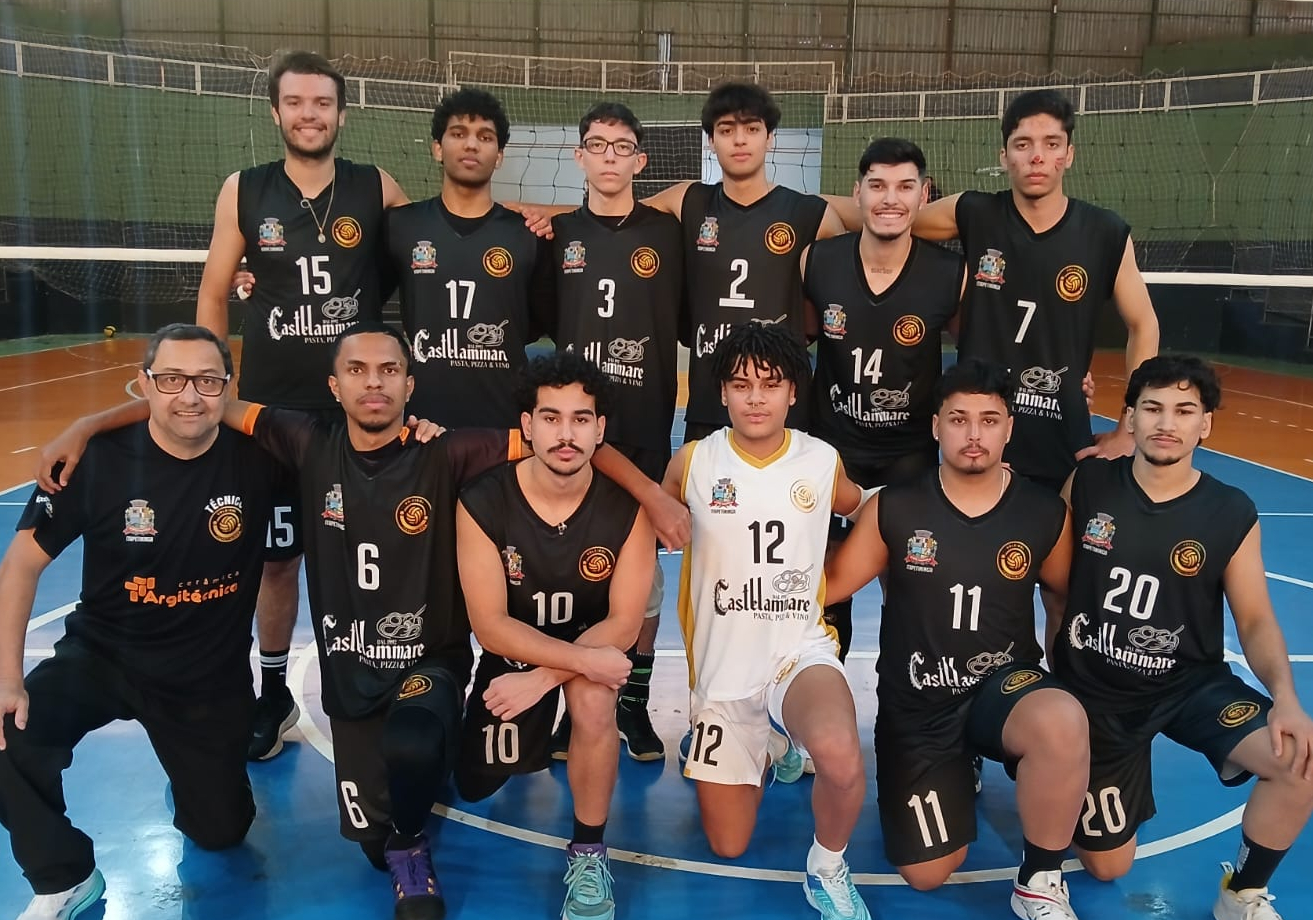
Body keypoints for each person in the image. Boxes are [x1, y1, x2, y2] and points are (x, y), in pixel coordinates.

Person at [33, 324, 688, 920]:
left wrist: (653, 496)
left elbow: (569, 444)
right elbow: (202, 405)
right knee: (373, 840)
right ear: (334, 385)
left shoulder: (446, 450)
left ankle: (415, 839)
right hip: (348, 675)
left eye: (388, 371)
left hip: (428, 661)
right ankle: (404, 815)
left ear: (409, 384)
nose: (373, 383)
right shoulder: (305, 442)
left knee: (409, 752)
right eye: (357, 370)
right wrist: (89, 425)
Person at [0, 325, 278, 920]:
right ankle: (64, 878)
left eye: (208, 381)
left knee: (221, 832)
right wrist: (7, 678)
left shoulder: (261, 460)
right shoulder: (95, 461)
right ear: (146, 382)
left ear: (228, 388)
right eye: (172, 379)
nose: (190, 396)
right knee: (8, 733)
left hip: (206, 676)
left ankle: (194, 773)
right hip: (103, 655)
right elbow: (19, 564)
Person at [1052, 354, 1313, 920]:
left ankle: (1244, 897)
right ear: (1129, 417)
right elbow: (1052, 583)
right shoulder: (1092, 483)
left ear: (1207, 424)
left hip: (1188, 685)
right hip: (1095, 692)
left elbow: (1255, 618)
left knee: (1300, 762)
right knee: (1106, 867)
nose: (1166, 423)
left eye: (1184, 411)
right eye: (1151, 408)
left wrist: (1285, 695)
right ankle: (1070, 780)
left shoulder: (1229, 510)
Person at [824, 358, 1091, 920]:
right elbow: (832, 584)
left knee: (1061, 721)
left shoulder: (1043, 512)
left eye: (989, 420)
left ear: (1009, 430)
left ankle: (1041, 885)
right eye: (960, 419)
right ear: (936, 427)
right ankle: (957, 765)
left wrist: (1072, 695)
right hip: (917, 700)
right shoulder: (896, 507)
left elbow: (1060, 603)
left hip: (1004, 685)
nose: (975, 434)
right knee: (927, 873)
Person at [196, 49, 409, 763]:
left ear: (341, 114)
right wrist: (211, 377)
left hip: (358, 411)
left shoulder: (375, 187)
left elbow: (438, 245)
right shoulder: (243, 190)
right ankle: (274, 691)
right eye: (296, 102)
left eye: (322, 103)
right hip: (267, 412)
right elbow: (214, 290)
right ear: (276, 111)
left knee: (365, 558)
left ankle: (382, 682)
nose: (309, 114)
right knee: (276, 560)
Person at [663, 321, 875, 920]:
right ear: (721, 394)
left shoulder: (819, 459)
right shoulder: (695, 460)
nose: (755, 397)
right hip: (723, 673)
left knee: (839, 755)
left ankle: (828, 867)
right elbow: (649, 507)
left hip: (796, 655)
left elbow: (867, 507)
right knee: (728, 845)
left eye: (770, 385)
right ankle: (769, 745)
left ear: (792, 393)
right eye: (740, 385)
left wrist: (836, 581)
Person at [827, 88, 1159, 492]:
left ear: (1069, 154)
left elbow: (1143, 325)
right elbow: (888, 215)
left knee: (1057, 548)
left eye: (1051, 144)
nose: (1036, 156)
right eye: (1023, 144)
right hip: (977, 432)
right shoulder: (974, 212)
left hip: (1059, 434)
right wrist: (787, 205)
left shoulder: (1104, 232)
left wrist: (1130, 427)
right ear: (1004, 156)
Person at [454, 352, 656, 920]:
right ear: (527, 424)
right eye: (550, 418)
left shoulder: (627, 510)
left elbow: (622, 621)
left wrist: (545, 680)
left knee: (595, 701)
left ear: (600, 429)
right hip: (512, 650)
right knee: (475, 784)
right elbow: (489, 624)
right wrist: (552, 666)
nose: (565, 434)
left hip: (589, 648)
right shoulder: (483, 500)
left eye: (580, 419)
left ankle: (589, 853)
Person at [519, 81, 843, 440]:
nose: (739, 140)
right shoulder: (688, 200)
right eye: (726, 130)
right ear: (710, 140)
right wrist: (543, 217)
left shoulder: (811, 214)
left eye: (751, 129)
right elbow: (611, 214)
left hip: (780, 407)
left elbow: (852, 277)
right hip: (707, 405)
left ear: (770, 138)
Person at [547, 102, 684, 762]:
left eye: (620, 146)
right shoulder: (554, 236)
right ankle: (566, 699)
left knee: (642, 581)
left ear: (639, 161)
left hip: (641, 428)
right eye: (595, 144)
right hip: (568, 440)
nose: (607, 156)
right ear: (578, 157)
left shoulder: (666, 233)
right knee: (569, 570)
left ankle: (632, 704)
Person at [802, 137, 964, 656]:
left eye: (904, 186)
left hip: (908, 458)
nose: (890, 198)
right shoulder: (817, 261)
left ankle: (906, 711)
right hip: (831, 452)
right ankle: (819, 705)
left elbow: (980, 355)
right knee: (825, 592)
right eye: (877, 185)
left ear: (923, 196)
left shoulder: (949, 274)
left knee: (911, 589)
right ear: (858, 193)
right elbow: (797, 338)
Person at [382, 87, 556, 429]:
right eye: (458, 133)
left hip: (502, 430)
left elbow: (538, 323)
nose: (471, 144)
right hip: (421, 425)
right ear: (437, 148)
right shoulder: (401, 225)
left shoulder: (529, 235)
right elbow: (362, 294)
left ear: (500, 155)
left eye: (485, 136)